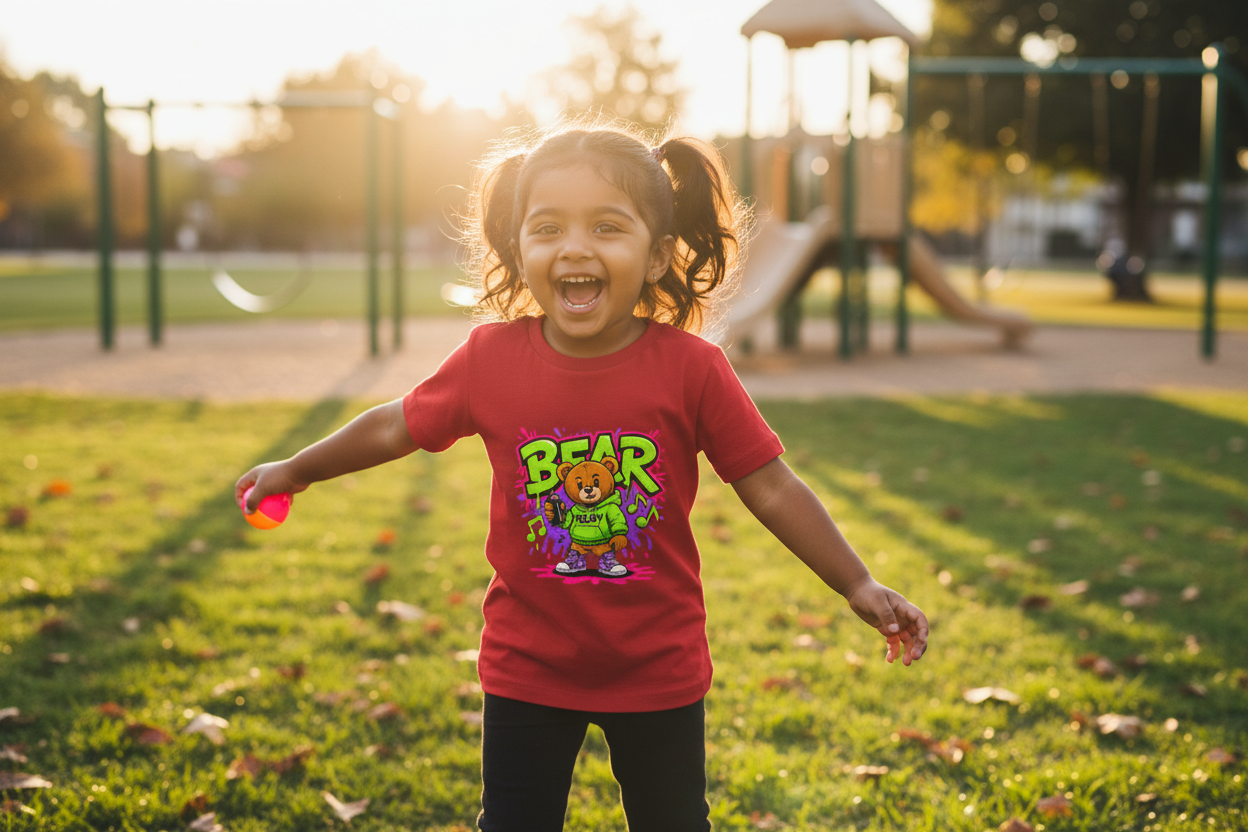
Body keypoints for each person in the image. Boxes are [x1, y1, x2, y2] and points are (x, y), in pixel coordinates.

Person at [235, 121, 929, 831]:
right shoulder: (488, 361)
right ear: (519, 247)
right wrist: (297, 468)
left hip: (658, 665)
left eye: (606, 226)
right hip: (527, 664)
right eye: (547, 228)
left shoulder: (693, 371)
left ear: (657, 255)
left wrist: (856, 581)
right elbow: (394, 424)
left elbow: (772, 484)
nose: (574, 247)